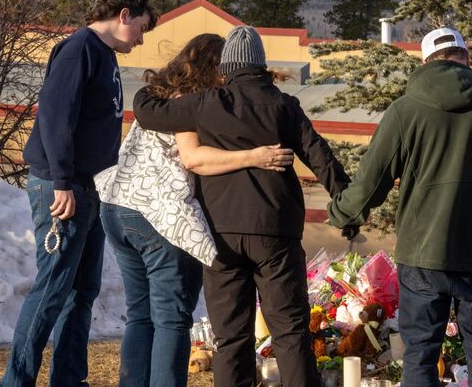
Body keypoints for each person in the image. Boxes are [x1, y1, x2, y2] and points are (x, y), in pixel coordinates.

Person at [132, 25, 352, 387]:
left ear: (227, 67)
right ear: (261, 65)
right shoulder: (284, 106)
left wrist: (161, 81)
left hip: (222, 234)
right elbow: (321, 158)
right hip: (276, 233)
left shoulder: (206, 103)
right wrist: (347, 205)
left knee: (230, 337)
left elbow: (147, 111)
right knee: (290, 333)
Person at [327, 28, 472, 387]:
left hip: (423, 257)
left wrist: (341, 213)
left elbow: (370, 185)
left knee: (420, 356)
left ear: (426, 62)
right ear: (466, 60)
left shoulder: (405, 111)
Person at [94, 33, 294, 387]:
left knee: (141, 315)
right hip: (159, 214)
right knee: (172, 317)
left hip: (117, 205)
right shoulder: (189, 102)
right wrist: (256, 156)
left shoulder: (159, 95)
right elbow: (194, 158)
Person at [0, 0, 158, 386]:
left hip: (93, 189)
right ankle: (16, 381)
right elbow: (55, 117)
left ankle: (68, 379)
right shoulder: (79, 49)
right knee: (53, 287)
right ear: (124, 15)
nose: (141, 40)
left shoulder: (104, 56)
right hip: (63, 188)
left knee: (82, 291)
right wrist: (62, 182)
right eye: (141, 29)